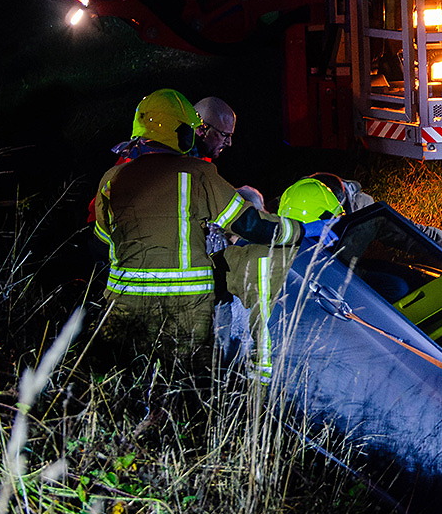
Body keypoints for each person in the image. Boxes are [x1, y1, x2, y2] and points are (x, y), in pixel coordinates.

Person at [92, 89, 301, 345]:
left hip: (125, 299)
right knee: (187, 374)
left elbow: (102, 235)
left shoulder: (115, 175)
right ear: (193, 130)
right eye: (224, 135)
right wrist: (301, 231)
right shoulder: (197, 172)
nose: (229, 143)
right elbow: (245, 222)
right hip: (185, 305)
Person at [223, 177, 343, 380]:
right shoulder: (267, 258)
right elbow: (259, 323)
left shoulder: (290, 254)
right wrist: (262, 383)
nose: (332, 232)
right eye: (328, 224)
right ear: (317, 219)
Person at [308, 172, 442, 260]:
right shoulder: (287, 219)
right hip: (333, 284)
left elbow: (409, 233)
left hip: (347, 279)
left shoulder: (361, 212)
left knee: (399, 286)